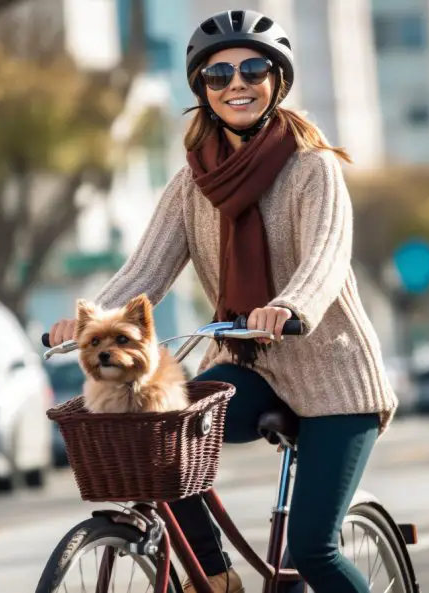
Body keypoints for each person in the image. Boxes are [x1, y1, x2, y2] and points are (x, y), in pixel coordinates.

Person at [48, 9, 399, 593]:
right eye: (219, 75)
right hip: (248, 365)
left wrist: (290, 306)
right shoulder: (192, 183)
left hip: (334, 376)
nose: (236, 83)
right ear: (203, 91)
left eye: (253, 68)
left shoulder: (314, 169)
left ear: (275, 81)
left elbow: (327, 258)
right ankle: (216, 578)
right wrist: (92, 322)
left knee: (313, 550)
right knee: (161, 441)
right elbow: (146, 271)